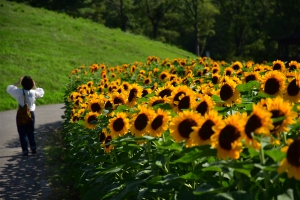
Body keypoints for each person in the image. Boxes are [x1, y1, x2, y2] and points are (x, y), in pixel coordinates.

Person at [6, 76, 45, 156]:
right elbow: (41, 93)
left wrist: (18, 82)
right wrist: (35, 86)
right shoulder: (33, 93)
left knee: (22, 133)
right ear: (31, 84)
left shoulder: (19, 92)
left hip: (21, 114)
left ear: (22, 84)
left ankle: (25, 150)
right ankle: (33, 148)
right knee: (31, 132)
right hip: (31, 114)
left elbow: (9, 89)